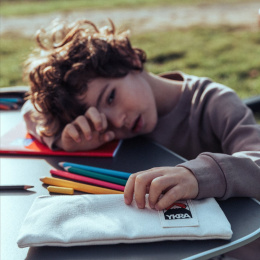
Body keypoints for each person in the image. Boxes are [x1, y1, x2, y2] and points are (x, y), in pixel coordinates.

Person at [22, 18, 260, 212]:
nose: (115, 121)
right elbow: (28, 110)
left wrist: (198, 176)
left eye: (111, 97)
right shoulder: (109, 126)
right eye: (101, 118)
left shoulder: (214, 101)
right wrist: (63, 138)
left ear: (130, 59)